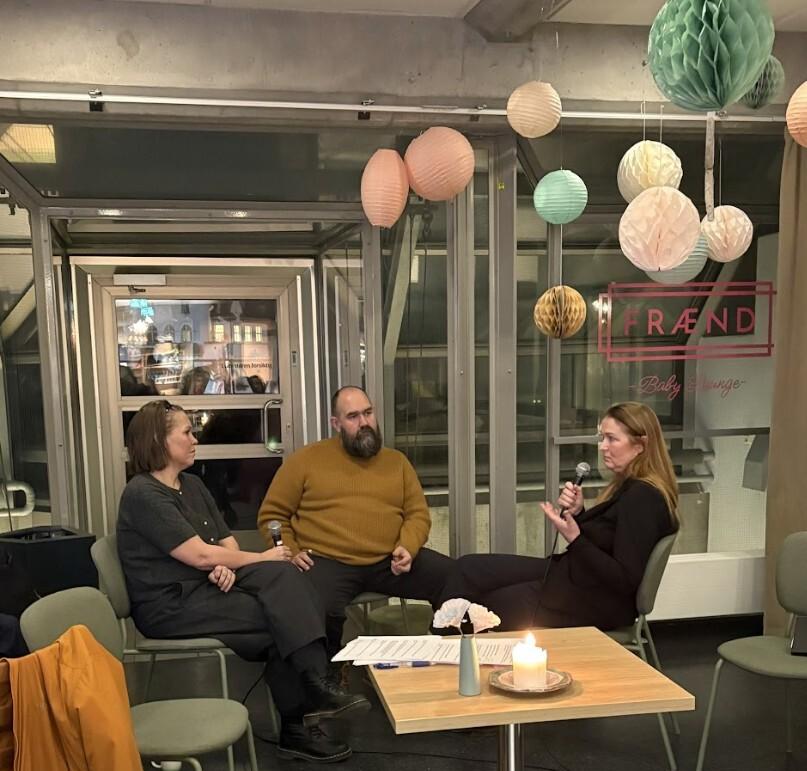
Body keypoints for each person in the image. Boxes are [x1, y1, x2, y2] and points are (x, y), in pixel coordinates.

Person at [116, 400, 369, 763]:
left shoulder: (192, 485)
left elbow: (225, 544)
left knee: (285, 579)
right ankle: (308, 706)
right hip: (172, 605)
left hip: (208, 586)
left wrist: (229, 566)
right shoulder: (143, 494)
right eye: (187, 432)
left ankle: (313, 696)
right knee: (281, 614)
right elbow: (201, 556)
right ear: (159, 440)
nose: (195, 439)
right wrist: (256, 559)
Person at [440, 401, 679, 631]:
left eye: (612, 439)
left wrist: (575, 538)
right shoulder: (631, 486)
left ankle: (443, 645)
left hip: (595, 601)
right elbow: (607, 541)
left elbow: (624, 579)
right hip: (574, 577)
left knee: (486, 607)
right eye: (602, 438)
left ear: (640, 445)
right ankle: (440, 635)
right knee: (469, 568)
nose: (602, 447)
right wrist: (578, 513)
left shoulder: (643, 497)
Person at [257, 386, 454, 655]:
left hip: (389, 560)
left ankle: (448, 655)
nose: (364, 422)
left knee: (454, 579)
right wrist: (290, 551)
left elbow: (417, 514)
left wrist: (408, 546)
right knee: (313, 609)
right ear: (336, 423)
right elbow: (272, 516)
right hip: (326, 561)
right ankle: (328, 674)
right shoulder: (305, 460)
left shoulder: (396, 462)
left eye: (368, 413)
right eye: (353, 416)